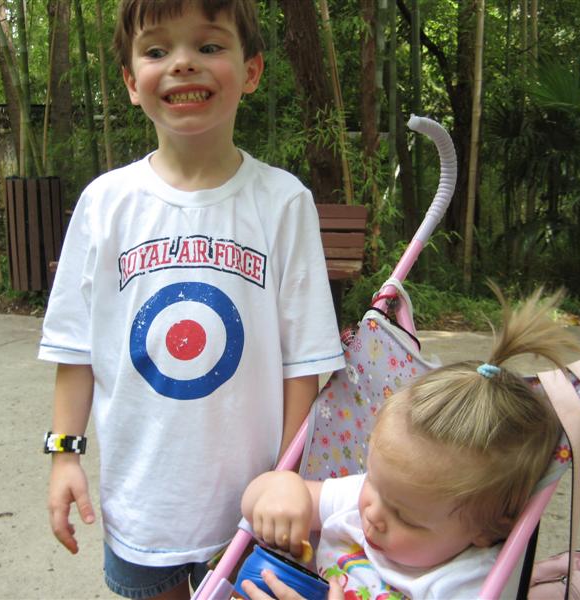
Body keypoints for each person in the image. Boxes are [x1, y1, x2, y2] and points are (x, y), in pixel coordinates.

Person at [39, 1, 345, 598]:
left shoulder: (283, 202)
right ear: (131, 82)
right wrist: (64, 456)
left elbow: (303, 366)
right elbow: (75, 351)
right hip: (141, 505)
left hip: (254, 506)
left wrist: (286, 481)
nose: (183, 64)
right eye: (157, 51)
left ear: (251, 71)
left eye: (209, 46)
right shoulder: (105, 203)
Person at [242, 285, 580, 599]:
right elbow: (261, 496)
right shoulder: (370, 499)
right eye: (374, 483)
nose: (374, 515)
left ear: (484, 530)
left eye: (407, 519)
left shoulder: (464, 585)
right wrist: (283, 489)